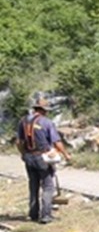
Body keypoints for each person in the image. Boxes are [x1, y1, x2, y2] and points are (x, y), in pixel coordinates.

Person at [15, 96, 71, 224]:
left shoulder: (23, 121)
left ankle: (33, 213)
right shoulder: (46, 122)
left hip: (29, 156)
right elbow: (56, 141)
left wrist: (23, 154)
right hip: (43, 157)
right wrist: (66, 154)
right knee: (48, 186)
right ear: (44, 110)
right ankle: (46, 215)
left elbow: (19, 142)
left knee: (33, 185)